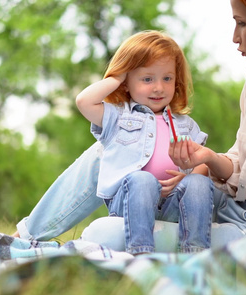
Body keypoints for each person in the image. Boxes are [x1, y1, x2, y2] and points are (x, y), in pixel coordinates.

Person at [14, 0, 246, 248]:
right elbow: (239, 167)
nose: (235, 37)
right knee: (114, 147)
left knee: (103, 235)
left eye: (241, 23)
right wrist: (207, 160)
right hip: (225, 202)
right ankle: (27, 235)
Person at [74, 30, 214, 254]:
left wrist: (189, 176)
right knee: (142, 179)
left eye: (167, 78)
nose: (158, 87)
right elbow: (84, 101)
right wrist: (118, 77)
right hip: (130, 201)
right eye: (147, 79)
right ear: (127, 82)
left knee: (199, 183)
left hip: (172, 204)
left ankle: (196, 253)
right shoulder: (119, 117)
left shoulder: (185, 124)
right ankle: (141, 253)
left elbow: (204, 162)